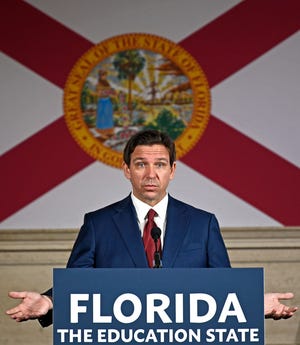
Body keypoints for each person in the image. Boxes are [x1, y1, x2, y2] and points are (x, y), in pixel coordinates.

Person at [6, 129, 298, 326]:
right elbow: (78, 286)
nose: (150, 174)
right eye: (140, 164)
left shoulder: (203, 223)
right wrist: (48, 301)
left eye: (159, 164)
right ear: (126, 170)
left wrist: (250, 304)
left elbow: (224, 291)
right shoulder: (98, 224)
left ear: (172, 171)